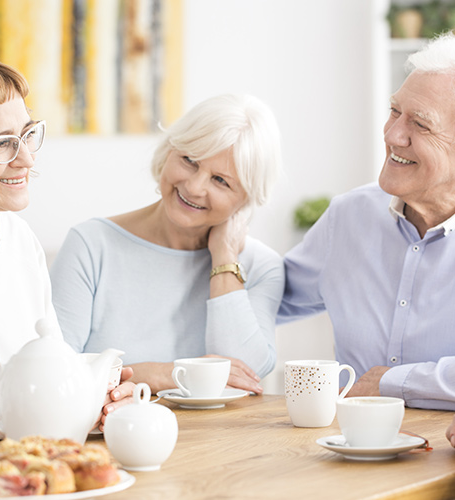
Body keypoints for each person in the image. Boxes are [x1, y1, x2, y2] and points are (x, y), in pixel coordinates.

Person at [50, 94, 284, 395]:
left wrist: (224, 258)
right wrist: (160, 374)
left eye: (221, 181)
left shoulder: (261, 266)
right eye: (190, 161)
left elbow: (244, 375)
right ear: (169, 152)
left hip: (221, 439)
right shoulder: (91, 245)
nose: (195, 187)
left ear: (247, 198)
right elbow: (54, 375)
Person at [0, 59, 134, 441]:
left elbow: (51, 363)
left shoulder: (18, 240)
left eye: (28, 134)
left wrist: (96, 398)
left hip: (25, 464)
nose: (27, 158)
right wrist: (33, 411)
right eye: (2, 143)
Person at [277, 32, 455, 411]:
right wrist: (223, 241)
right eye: (394, 111)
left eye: (420, 125)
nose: (392, 135)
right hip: (350, 455)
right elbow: (271, 296)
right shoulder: (349, 216)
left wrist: (392, 382)